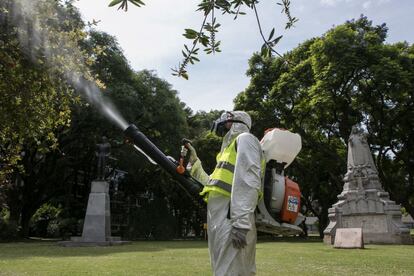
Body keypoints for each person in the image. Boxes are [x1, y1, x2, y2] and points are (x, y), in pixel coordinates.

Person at [186, 111, 263, 276]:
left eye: (227, 119)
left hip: (232, 218)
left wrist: (241, 224)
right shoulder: (226, 151)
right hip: (221, 218)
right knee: (222, 270)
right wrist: (195, 163)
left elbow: (248, 181)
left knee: (230, 271)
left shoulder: (245, 139)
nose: (222, 122)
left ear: (236, 122)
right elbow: (212, 184)